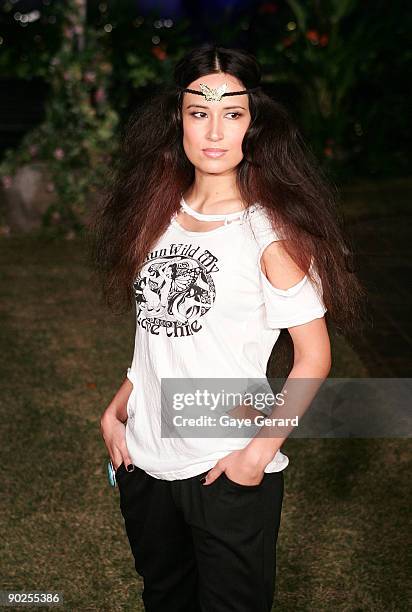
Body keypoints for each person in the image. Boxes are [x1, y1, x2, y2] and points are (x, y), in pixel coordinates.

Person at [89, 43, 364, 612]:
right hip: (144, 460)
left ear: (253, 125)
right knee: (164, 598)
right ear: (178, 121)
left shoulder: (270, 234)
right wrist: (117, 408)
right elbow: (161, 329)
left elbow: (313, 358)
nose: (214, 131)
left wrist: (253, 458)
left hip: (225, 463)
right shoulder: (157, 216)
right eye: (199, 112)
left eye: (232, 113)